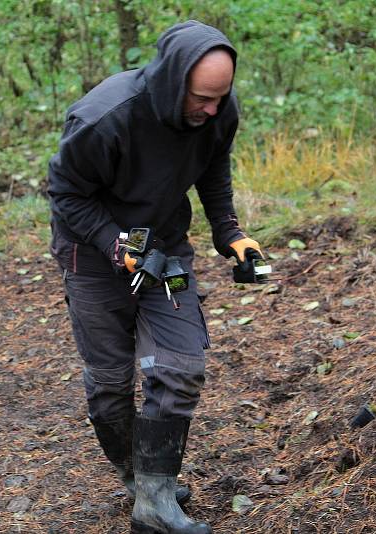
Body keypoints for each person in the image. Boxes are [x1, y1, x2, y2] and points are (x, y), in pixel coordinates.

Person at [48, 21, 263, 534]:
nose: (212, 109)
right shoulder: (105, 117)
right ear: (172, 80)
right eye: (202, 98)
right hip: (93, 253)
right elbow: (66, 192)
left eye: (220, 97)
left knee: (181, 365)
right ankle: (137, 478)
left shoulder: (216, 111)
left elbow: (213, 166)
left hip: (164, 249)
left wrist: (229, 232)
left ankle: (155, 498)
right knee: (110, 380)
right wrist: (115, 244)